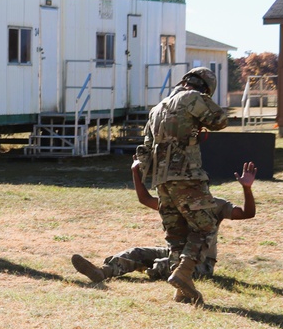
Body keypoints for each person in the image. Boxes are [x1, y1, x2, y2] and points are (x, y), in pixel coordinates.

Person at [72, 161, 256, 295]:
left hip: (200, 263)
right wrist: (135, 172)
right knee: (136, 253)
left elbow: (247, 213)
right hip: (172, 252)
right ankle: (102, 272)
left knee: (163, 265)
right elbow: (145, 199)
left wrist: (247, 189)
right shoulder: (176, 201)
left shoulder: (216, 205)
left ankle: (157, 271)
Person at [133, 66, 229, 304]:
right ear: (205, 87)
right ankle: (184, 273)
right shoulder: (193, 98)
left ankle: (182, 290)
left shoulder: (158, 108)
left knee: (176, 235)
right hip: (187, 176)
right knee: (205, 228)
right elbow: (220, 121)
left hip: (161, 181)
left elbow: (145, 148)